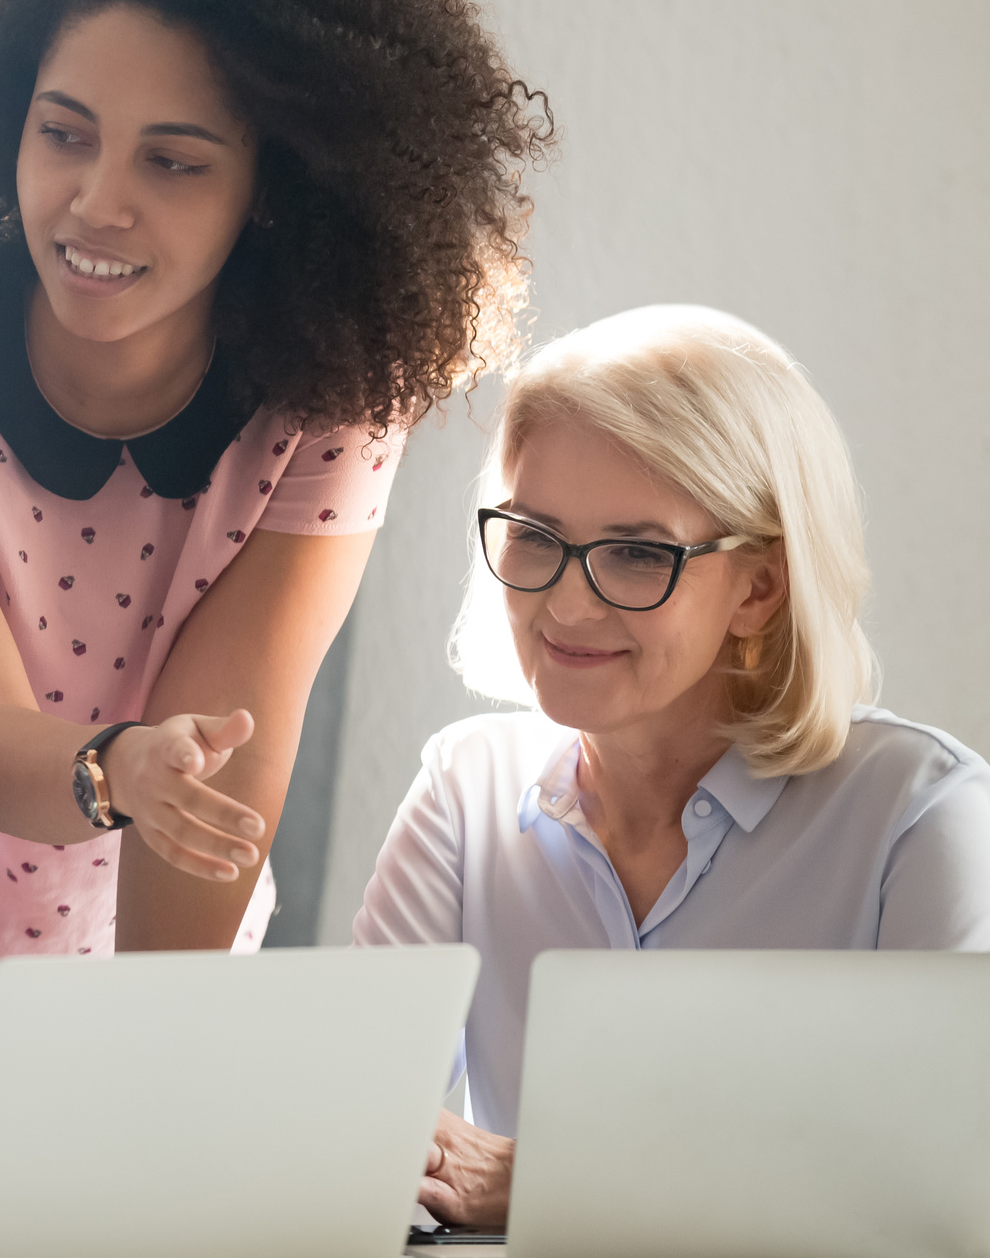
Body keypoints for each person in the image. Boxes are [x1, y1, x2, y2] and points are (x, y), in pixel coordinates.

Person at [0, 0, 550, 1116]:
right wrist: (117, 770)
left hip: (118, 980)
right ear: (4, 122)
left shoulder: (327, 411)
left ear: (269, 188)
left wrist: (145, 1073)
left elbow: (225, 768)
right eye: (64, 133)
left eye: (172, 160)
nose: (97, 201)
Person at [352, 305, 990, 1226]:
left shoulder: (915, 816)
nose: (566, 603)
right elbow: (362, 1135)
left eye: (636, 553)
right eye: (533, 535)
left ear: (759, 587)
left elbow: (948, 1186)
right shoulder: (465, 787)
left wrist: (559, 1180)